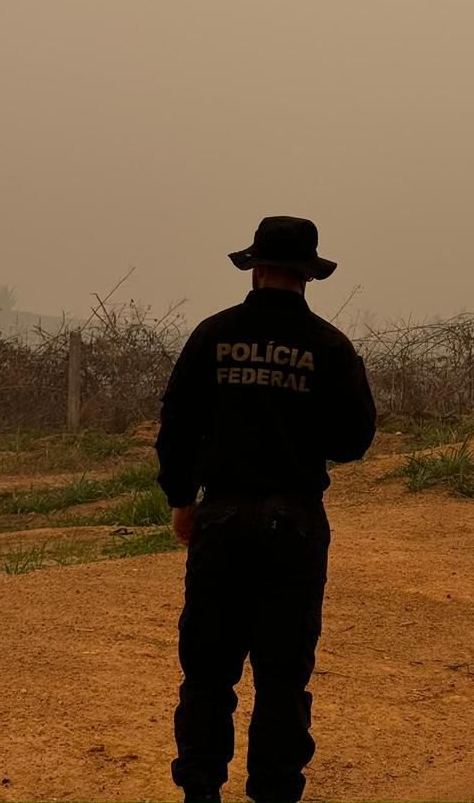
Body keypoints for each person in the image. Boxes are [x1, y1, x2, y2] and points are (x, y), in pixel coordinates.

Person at [155, 215, 377, 803]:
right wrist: (300, 432)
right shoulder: (329, 345)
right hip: (297, 528)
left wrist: (182, 501)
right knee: (282, 678)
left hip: (221, 520)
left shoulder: (211, 335)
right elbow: (354, 439)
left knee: (207, 672)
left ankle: (201, 789)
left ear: (254, 267)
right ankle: (274, 793)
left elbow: (175, 427)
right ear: (310, 274)